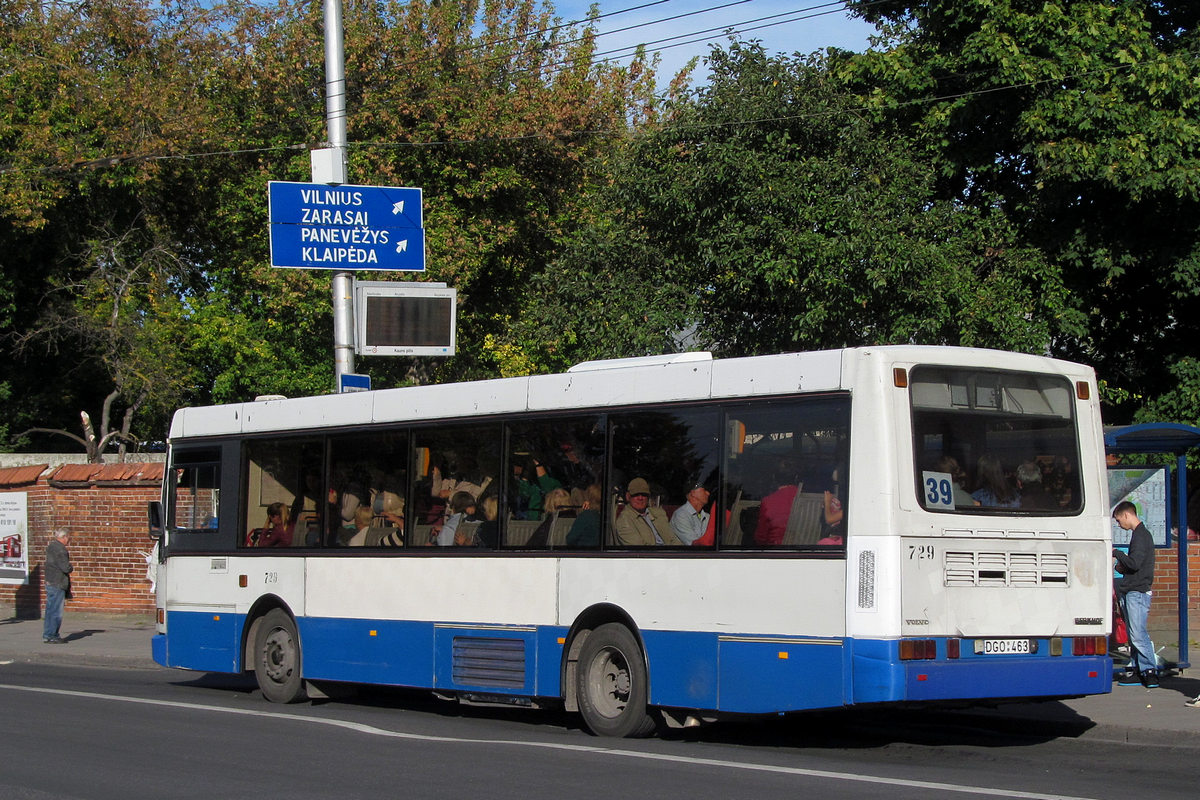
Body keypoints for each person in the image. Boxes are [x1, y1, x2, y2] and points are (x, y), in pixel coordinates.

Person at [1112, 501, 1158, 688]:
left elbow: (1135, 563)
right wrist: (1122, 566)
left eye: (1118, 520)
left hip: (1137, 592)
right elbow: (1134, 564)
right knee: (1133, 634)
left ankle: (1149, 671)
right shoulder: (1140, 535)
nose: (1118, 524)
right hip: (1133, 589)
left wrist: (1116, 553)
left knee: (1138, 634)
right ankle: (1137, 668)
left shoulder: (1140, 536)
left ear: (1126, 515)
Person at [615, 478, 680, 546]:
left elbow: (673, 539)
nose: (640, 498)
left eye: (644, 494)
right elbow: (640, 550)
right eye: (636, 495)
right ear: (628, 497)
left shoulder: (659, 513)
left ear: (648, 497)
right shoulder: (624, 520)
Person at [43, 529, 73, 644]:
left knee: (50, 610)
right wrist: (71, 567)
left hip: (50, 581)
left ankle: (47, 634)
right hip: (58, 582)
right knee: (56, 611)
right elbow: (65, 567)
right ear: (64, 537)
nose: (69, 540)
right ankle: (52, 635)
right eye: (68, 538)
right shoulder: (60, 549)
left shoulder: (51, 546)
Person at [565, 483, 603, 548]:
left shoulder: (586, 516)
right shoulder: (604, 515)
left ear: (588, 496)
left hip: (583, 552)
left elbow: (570, 539)